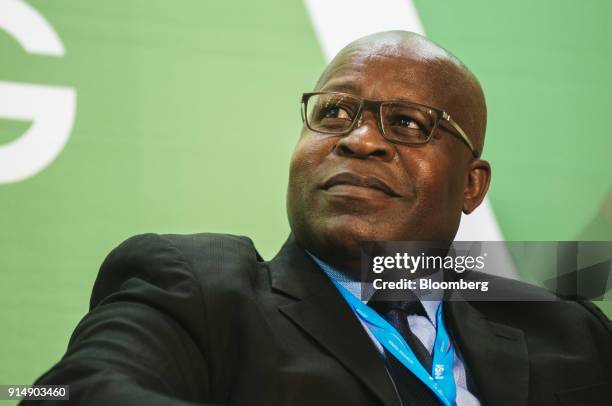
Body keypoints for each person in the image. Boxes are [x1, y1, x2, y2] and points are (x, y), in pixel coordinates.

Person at [26, 31, 611, 406]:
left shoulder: (569, 333)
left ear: (471, 185)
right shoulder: (196, 290)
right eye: (335, 112)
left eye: (407, 123)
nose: (359, 140)